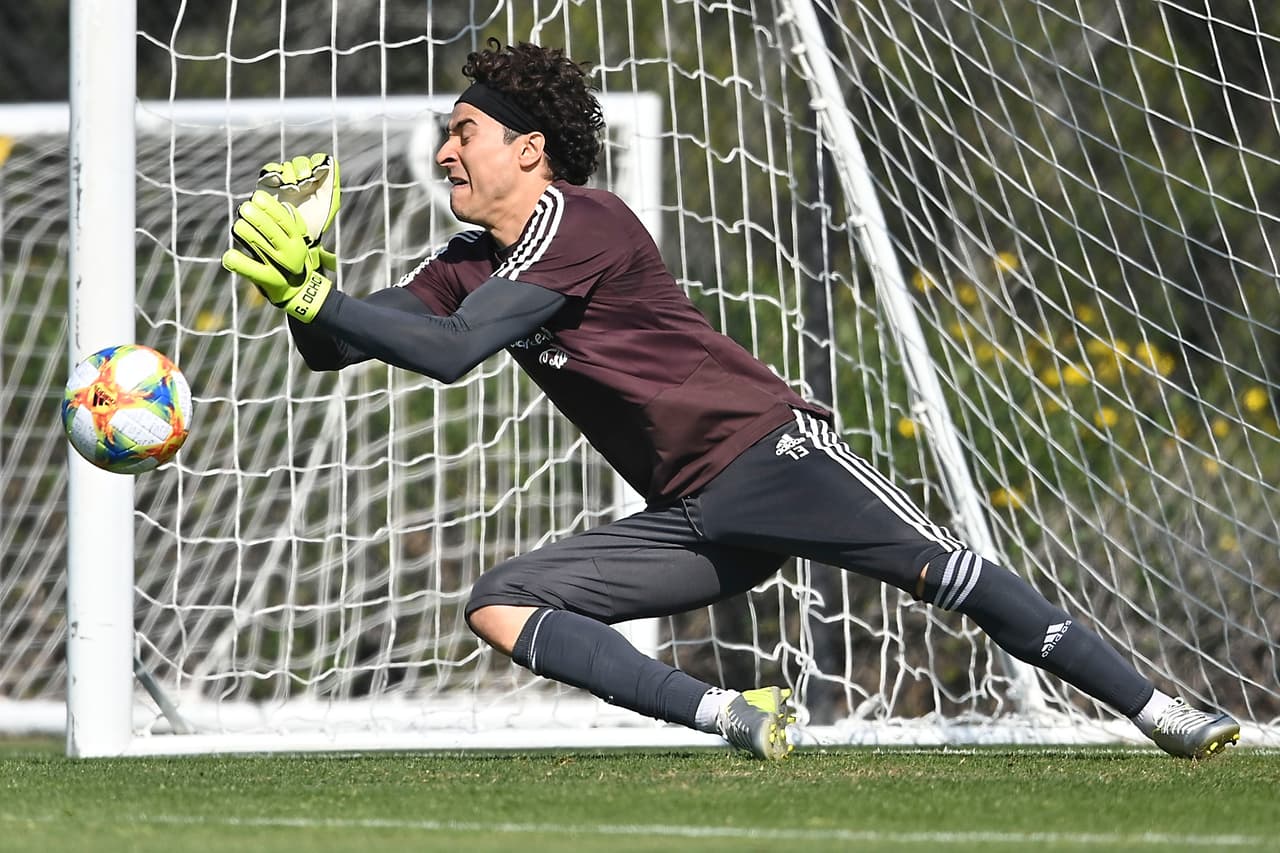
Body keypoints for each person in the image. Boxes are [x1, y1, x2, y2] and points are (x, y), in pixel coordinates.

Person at [221, 39, 1240, 761]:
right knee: (499, 601)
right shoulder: (468, 259)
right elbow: (337, 348)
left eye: (464, 132)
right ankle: (733, 716)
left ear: (526, 150)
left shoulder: (583, 219)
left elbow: (450, 353)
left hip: (768, 456)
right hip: (690, 514)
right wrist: (300, 282)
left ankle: (1160, 712)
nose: (446, 151)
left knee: (950, 573)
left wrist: (319, 296)